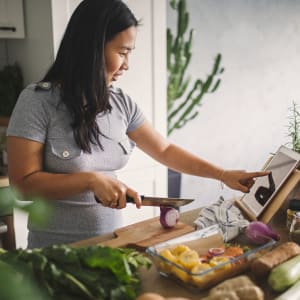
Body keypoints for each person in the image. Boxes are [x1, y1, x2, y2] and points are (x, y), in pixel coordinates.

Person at [6, 0, 268, 248]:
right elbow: (23, 184)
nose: (127, 65)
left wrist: (223, 175)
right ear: (91, 49)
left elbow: (164, 150)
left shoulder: (122, 104)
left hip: (112, 245)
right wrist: (89, 180)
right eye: (122, 52)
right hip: (54, 253)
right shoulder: (37, 101)